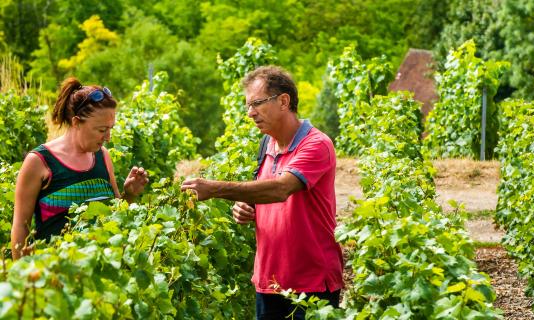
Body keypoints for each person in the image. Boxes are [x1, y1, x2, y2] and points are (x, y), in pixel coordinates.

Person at [181, 66, 343, 319]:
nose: (250, 113)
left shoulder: (316, 144)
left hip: (311, 284)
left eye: (257, 103)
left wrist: (214, 188)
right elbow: (268, 196)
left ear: (283, 101)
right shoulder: (266, 144)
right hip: (269, 281)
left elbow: (281, 189)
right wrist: (247, 208)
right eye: (248, 105)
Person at [11, 77, 149, 260]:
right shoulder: (39, 162)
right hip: (55, 277)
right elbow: (21, 227)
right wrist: (22, 281)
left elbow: (117, 218)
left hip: (101, 276)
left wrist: (129, 194)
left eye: (110, 129)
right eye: (101, 130)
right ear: (76, 122)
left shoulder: (103, 157)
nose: (108, 137)